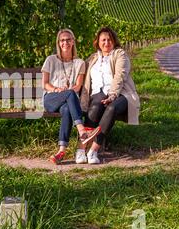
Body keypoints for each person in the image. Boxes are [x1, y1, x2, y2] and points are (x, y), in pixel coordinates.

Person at [77, 27, 140, 164]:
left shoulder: (119, 54)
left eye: (109, 39)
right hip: (97, 94)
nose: (106, 42)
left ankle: (93, 150)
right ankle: (81, 149)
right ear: (98, 42)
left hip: (121, 94)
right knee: (94, 108)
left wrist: (112, 95)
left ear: (114, 41)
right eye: (103, 40)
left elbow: (120, 76)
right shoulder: (92, 59)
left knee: (111, 108)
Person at [42, 28, 101, 164]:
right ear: (58, 43)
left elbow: (78, 86)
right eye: (62, 40)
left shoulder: (79, 63)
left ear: (73, 42)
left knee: (68, 108)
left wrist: (67, 91)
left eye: (68, 40)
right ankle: (82, 131)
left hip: (67, 102)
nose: (65, 43)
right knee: (69, 93)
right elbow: (45, 84)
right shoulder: (50, 60)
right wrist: (57, 89)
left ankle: (61, 151)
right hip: (51, 99)